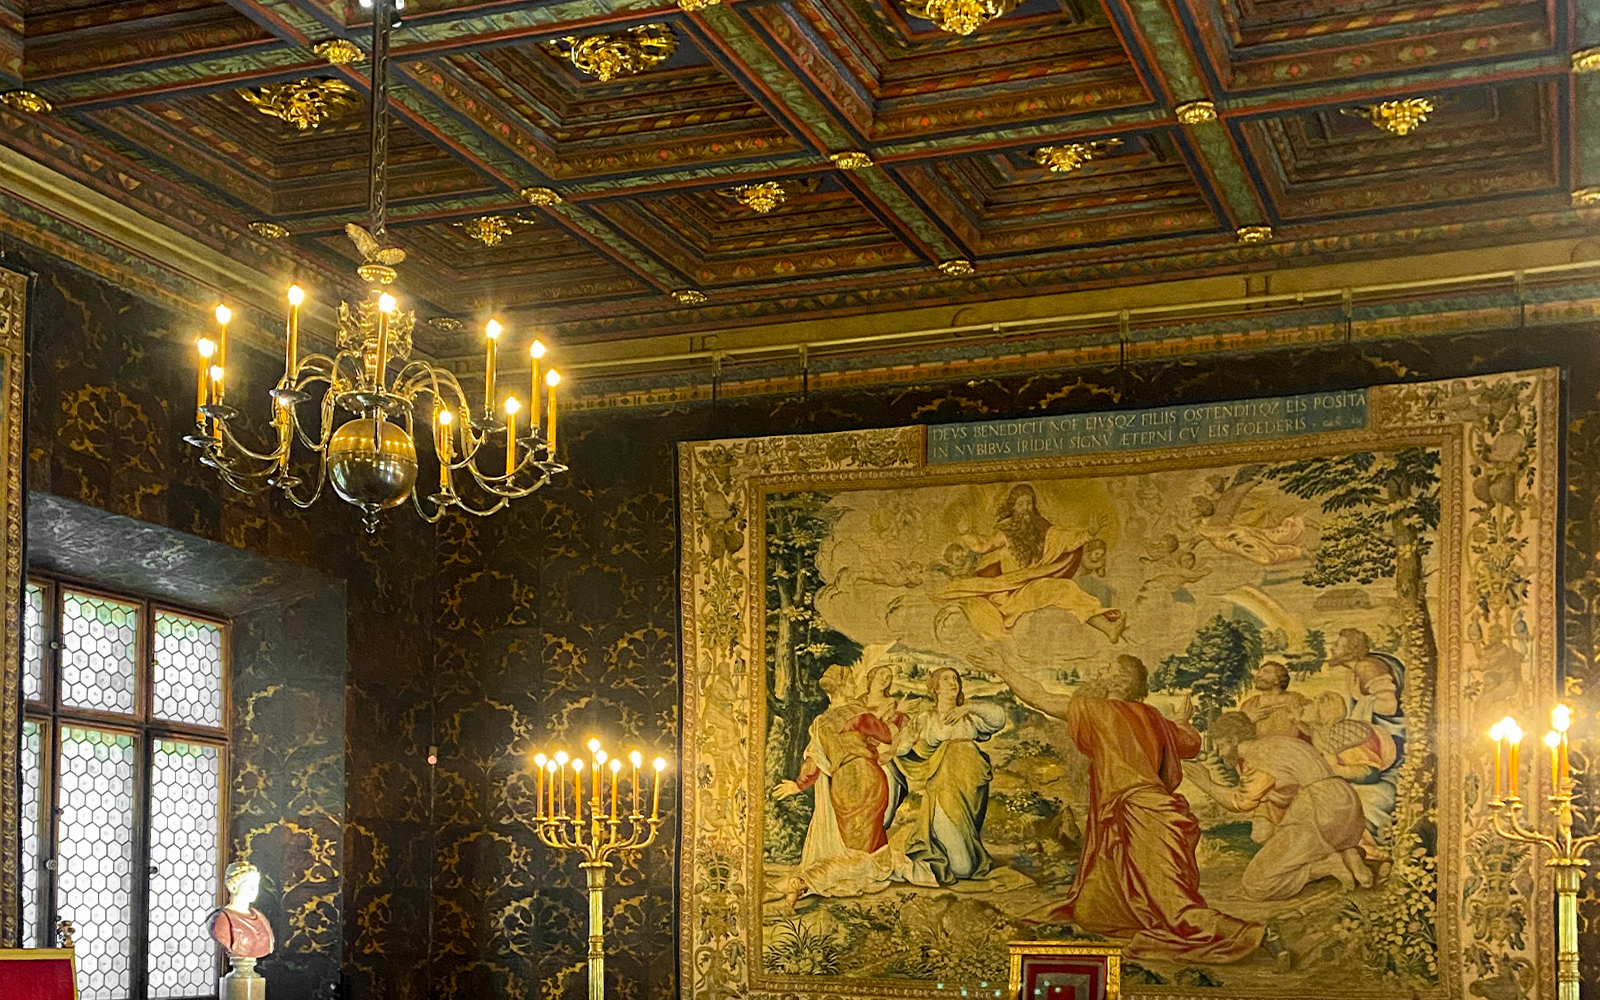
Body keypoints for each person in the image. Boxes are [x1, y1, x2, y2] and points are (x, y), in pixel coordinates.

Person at [988, 653, 1271, 966]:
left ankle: (1250, 933)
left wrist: (1003, 668)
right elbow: (1189, 743)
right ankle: (1145, 915)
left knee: (1175, 906)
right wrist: (1179, 720)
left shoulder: (1097, 709)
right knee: (1092, 911)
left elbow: (1040, 698)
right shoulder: (1152, 717)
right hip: (1142, 813)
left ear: (1120, 680)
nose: (1100, 670)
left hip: (1141, 814)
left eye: (1108, 667)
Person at [1186, 713, 1371, 901]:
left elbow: (1241, 802)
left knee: (1256, 883)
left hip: (1319, 810)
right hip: (1347, 804)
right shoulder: (1278, 743)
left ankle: (1327, 866)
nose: (1220, 754)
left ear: (1233, 740)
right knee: (1300, 851)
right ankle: (1350, 854)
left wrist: (1206, 784)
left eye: (1221, 746)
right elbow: (1286, 793)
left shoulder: (1258, 757)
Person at [934, 484, 1125, 642]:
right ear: (1013, 508)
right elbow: (983, 545)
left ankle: (1107, 627)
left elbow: (1066, 541)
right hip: (1006, 594)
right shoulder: (1006, 533)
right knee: (1062, 589)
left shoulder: (1043, 533)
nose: (1025, 507)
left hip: (1030, 586)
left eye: (1028, 503)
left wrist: (1089, 533)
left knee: (1066, 588)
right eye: (1020, 504)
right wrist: (965, 533)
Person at [774, 666, 899, 896]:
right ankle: (804, 882)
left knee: (853, 845)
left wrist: (798, 785)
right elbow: (888, 735)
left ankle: (803, 882)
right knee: (865, 852)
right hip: (867, 779)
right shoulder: (857, 713)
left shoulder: (820, 723)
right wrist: (898, 718)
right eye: (851, 682)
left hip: (841, 786)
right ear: (841, 687)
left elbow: (814, 762)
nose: (854, 686)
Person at [894, 667, 1007, 884]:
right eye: (945, 679)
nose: (952, 682)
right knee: (962, 868)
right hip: (944, 786)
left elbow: (998, 720)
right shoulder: (926, 718)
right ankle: (923, 862)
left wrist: (969, 707)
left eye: (955, 678)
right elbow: (900, 748)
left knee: (968, 858)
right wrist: (912, 738)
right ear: (935, 687)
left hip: (973, 786)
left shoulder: (969, 715)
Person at [208, 860, 275, 959]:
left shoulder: (260, 918)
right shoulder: (221, 921)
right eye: (249, 885)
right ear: (234, 887)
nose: (254, 889)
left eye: (256, 885)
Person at [1238, 661, 1310, 740]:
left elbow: (1314, 734)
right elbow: (1236, 738)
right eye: (1259, 672)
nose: (1258, 675)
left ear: (1279, 679)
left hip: (1291, 750)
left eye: (1266, 672)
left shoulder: (1298, 700)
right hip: (1259, 750)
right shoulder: (1250, 704)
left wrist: (1299, 719)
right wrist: (1247, 721)